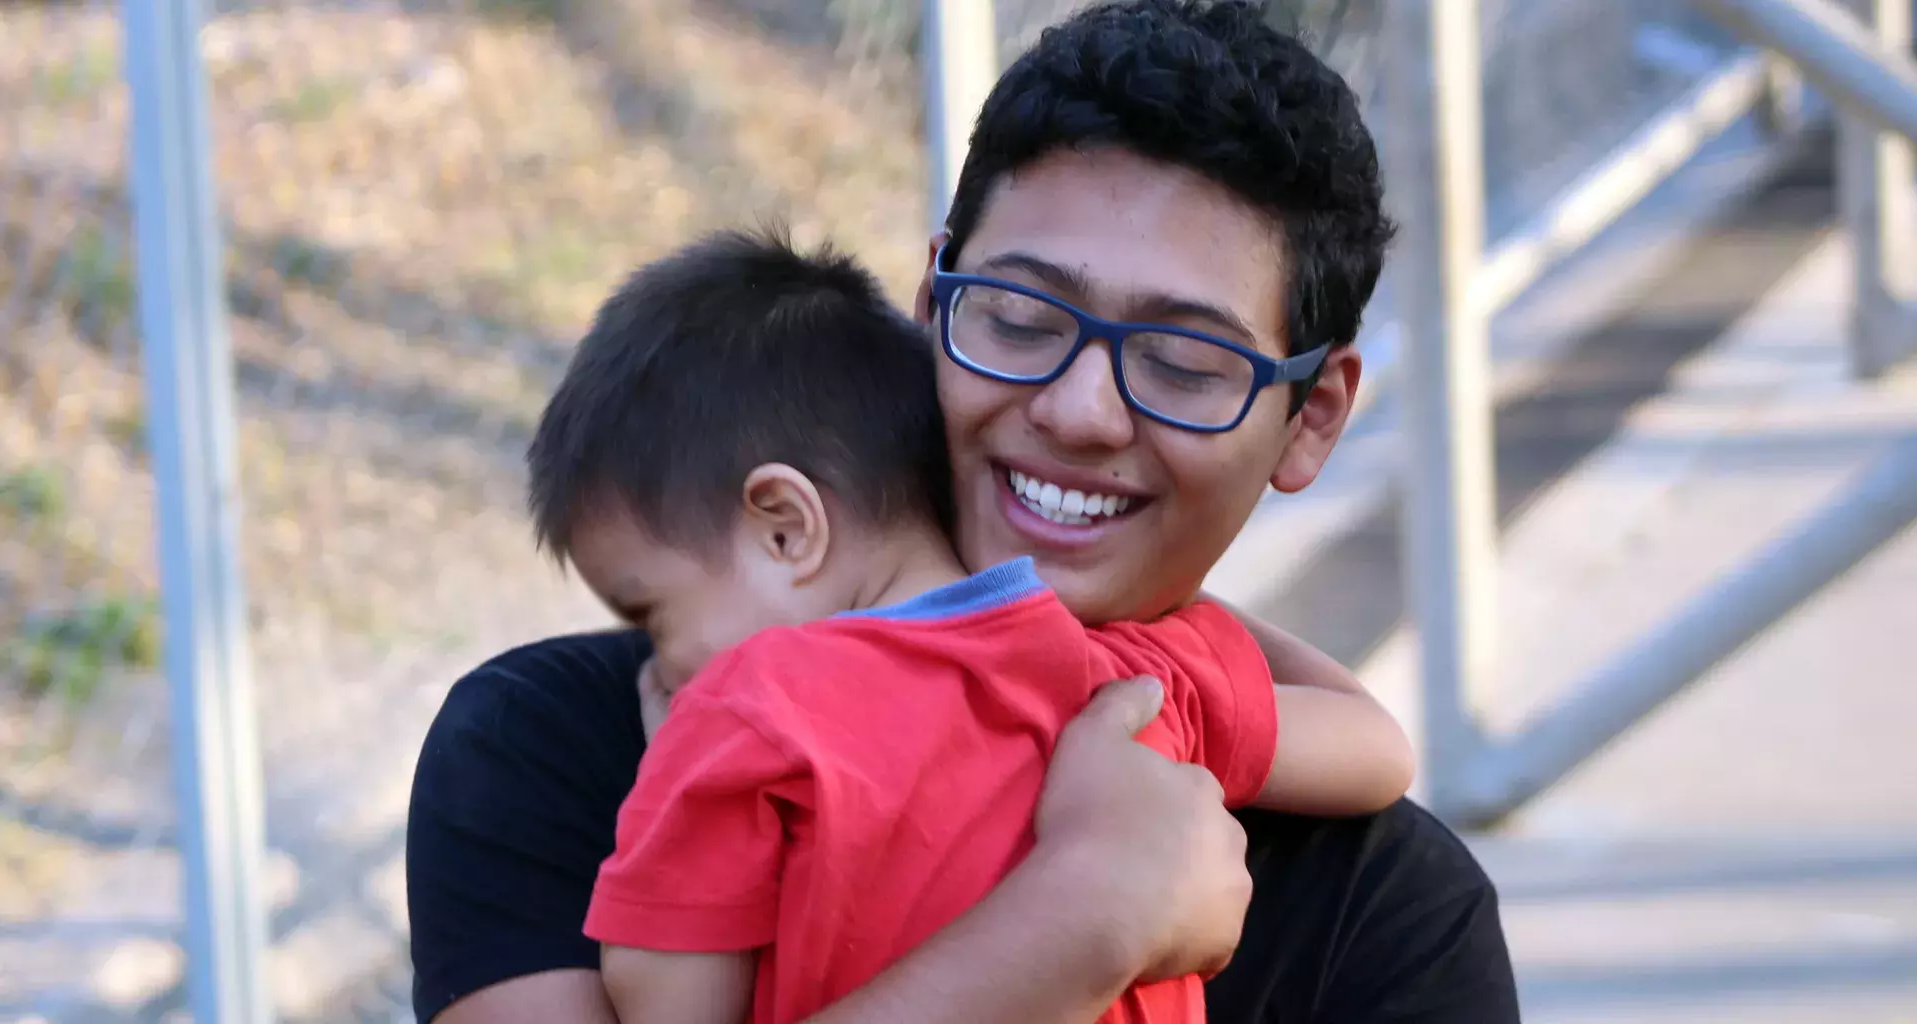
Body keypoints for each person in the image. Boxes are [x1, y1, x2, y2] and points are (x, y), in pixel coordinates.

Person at [405, 2, 1522, 1021]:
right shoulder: (557, 751)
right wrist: (1083, 922)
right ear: (934, 301)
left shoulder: (1384, 921)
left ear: (1311, 418)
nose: (1081, 411)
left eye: (1185, 359)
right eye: (1023, 314)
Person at [535, 229, 1415, 1024]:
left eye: (653, 611)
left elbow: (670, 1005)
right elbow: (1376, 749)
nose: (656, 664)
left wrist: (668, 785)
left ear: (786, 525)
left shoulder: (744, 714)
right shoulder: (1131, 678)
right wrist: (1175, 590)